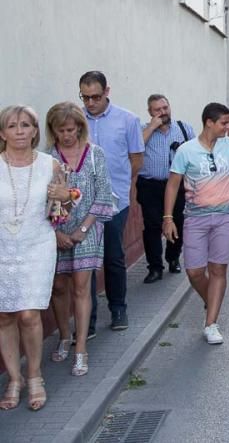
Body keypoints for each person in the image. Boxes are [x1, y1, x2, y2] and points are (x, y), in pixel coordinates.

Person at [163, 103, 229, 345]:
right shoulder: (186, 150)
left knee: (218, 270)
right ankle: (211, 299)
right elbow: (172, 185)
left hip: (225, 216)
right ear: (209, 122)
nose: (228, 127)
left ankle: (211, 323)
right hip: (195, 217)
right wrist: (168, 217)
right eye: (224, 122)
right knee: (193, 272)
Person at [0, 106, 65, 411]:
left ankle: (34, 375)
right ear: (3, 133)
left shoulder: (50, 165)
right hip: (2, 247)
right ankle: (14, 379)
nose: (20, 131)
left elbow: (59, 213)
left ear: (35, 131)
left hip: (37, 243)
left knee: (28, 313)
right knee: (4, 315)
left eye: (26, 125)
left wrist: (64, 198)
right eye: (12, 126)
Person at [45, 103, 114, 378]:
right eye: (60, 130)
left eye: (71, 129)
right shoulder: (47, 158)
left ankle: (81, 348)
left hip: (88, 228)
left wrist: (82, 230)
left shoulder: (95, 155)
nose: (66, 135)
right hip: (55, 231)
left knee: (82, 287)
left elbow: (103, 196)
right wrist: (56, 232)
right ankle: (64, 335)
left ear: (80, 128)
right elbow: (41, 201)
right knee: (59, 286)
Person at [79, 70, 143, 334]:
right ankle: (88, 321)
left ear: (107, 92)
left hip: (115, 201)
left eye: (95, 96)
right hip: (82, 204)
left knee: (114, 256)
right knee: (85, 263)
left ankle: (118, 308)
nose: (90, 103)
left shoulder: (127, 120)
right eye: (85, 97)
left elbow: (136, 159)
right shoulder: (76, 120)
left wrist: (122, 187)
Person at [137, 94, 193, 283]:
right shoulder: (143, 130)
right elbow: (135, 149)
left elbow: (195, 153)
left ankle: (173, 258)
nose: (163, 112)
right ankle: (154, 267)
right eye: (157, 110)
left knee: (177, 222)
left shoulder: (184, 129)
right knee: (152, 226)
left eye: (165, 108)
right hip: (150, 185)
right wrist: (152, 127)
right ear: (150, 112)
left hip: (177, 185)